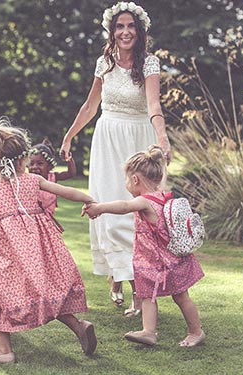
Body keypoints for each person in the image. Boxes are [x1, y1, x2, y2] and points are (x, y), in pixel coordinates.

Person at [60, 1, 172, 317]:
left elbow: (154, 105)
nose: (125, 32)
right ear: (112, 31)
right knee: (108, 206)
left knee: (139, 210)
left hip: (139, 138)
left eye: (131, 26)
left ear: (140, 31)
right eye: (120, 26)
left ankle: (140, 292)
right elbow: (89, 106)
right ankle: (116, 274)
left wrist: (162, 138)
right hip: (107, 138)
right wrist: (69, 136)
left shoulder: (150, 64)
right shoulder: (104, 63)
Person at [0, 118, 97, 364]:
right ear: (22, 160)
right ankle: (79, 327)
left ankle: (4, 351)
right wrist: (89, 200)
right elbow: (66, 192)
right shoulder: (34, 181)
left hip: (9, 255)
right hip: (40, 250)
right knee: (48, 290)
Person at [83, 145, 205, 347]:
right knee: (150, 295)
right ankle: (149, 332)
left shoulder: (144, 201)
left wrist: (99, 208)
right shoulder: (162, 196)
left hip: (162, 262)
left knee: (179, 297)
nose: (126, 184)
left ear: (135, 179)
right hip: (158, 261)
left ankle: (196, 332)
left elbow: (124, 206)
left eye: (126, 179)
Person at [28, 138, 77, 215]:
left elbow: (71, 173)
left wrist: (68, 158)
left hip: (49, 219)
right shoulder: (26, 180)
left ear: (49, 166)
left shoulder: (53, 177)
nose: (34, 167)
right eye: (31, 164)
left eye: (40, 163)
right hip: (32, 217)